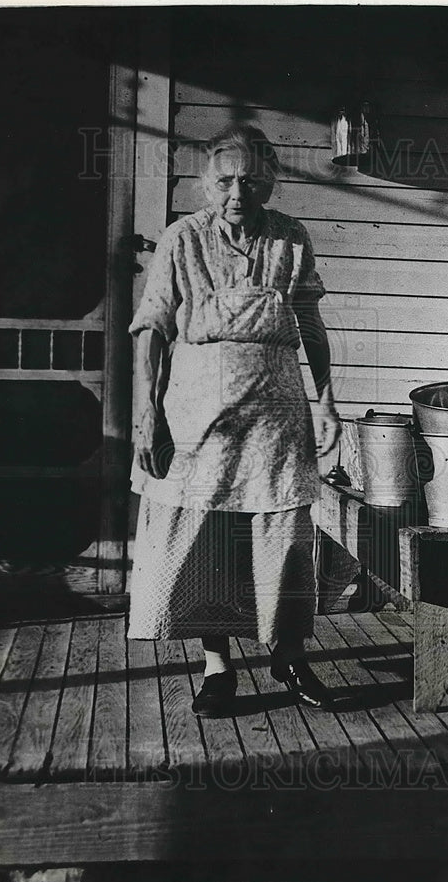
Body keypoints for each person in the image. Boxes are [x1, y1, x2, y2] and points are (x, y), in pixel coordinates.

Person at [127, 124, 341, 718]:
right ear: (206, 183)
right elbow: (151, 328)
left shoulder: (291, 238)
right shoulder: (181, 239)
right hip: (197, 418)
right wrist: (146, 410)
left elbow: (311, 327)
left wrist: (325, 401)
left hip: (276, 418)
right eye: (225, 180)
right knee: (207, 540)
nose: (237, 192)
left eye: (250, 179)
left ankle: (290, 655)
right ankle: (217, 667)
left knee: (282, 537)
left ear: (268, 182)